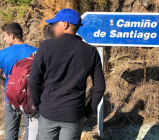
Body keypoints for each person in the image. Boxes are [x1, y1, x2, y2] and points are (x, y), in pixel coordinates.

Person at [29, 9, 106, 140]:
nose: (52, 27)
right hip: (73, 114)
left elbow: (34, 80)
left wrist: (39, 106)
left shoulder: (46, 46)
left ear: (65, 24)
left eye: (55, 24)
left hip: (48, 111)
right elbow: (99, 87)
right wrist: (88, 112)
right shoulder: (90, 52)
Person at [0, 22, 37, 140]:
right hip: (30, 98)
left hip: (10, 97)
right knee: (30, 129)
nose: (4, 38)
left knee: (10, 131)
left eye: (5, 35)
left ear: (12, 36)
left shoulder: (2, 53)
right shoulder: (36, 51)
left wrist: (6, 84)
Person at [28, 24, 54, 140]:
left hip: (35, 101)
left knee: (32, 131)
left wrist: (37, 103)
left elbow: (34, 81)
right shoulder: (59, 54)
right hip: (52, 104)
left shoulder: (36, 53)